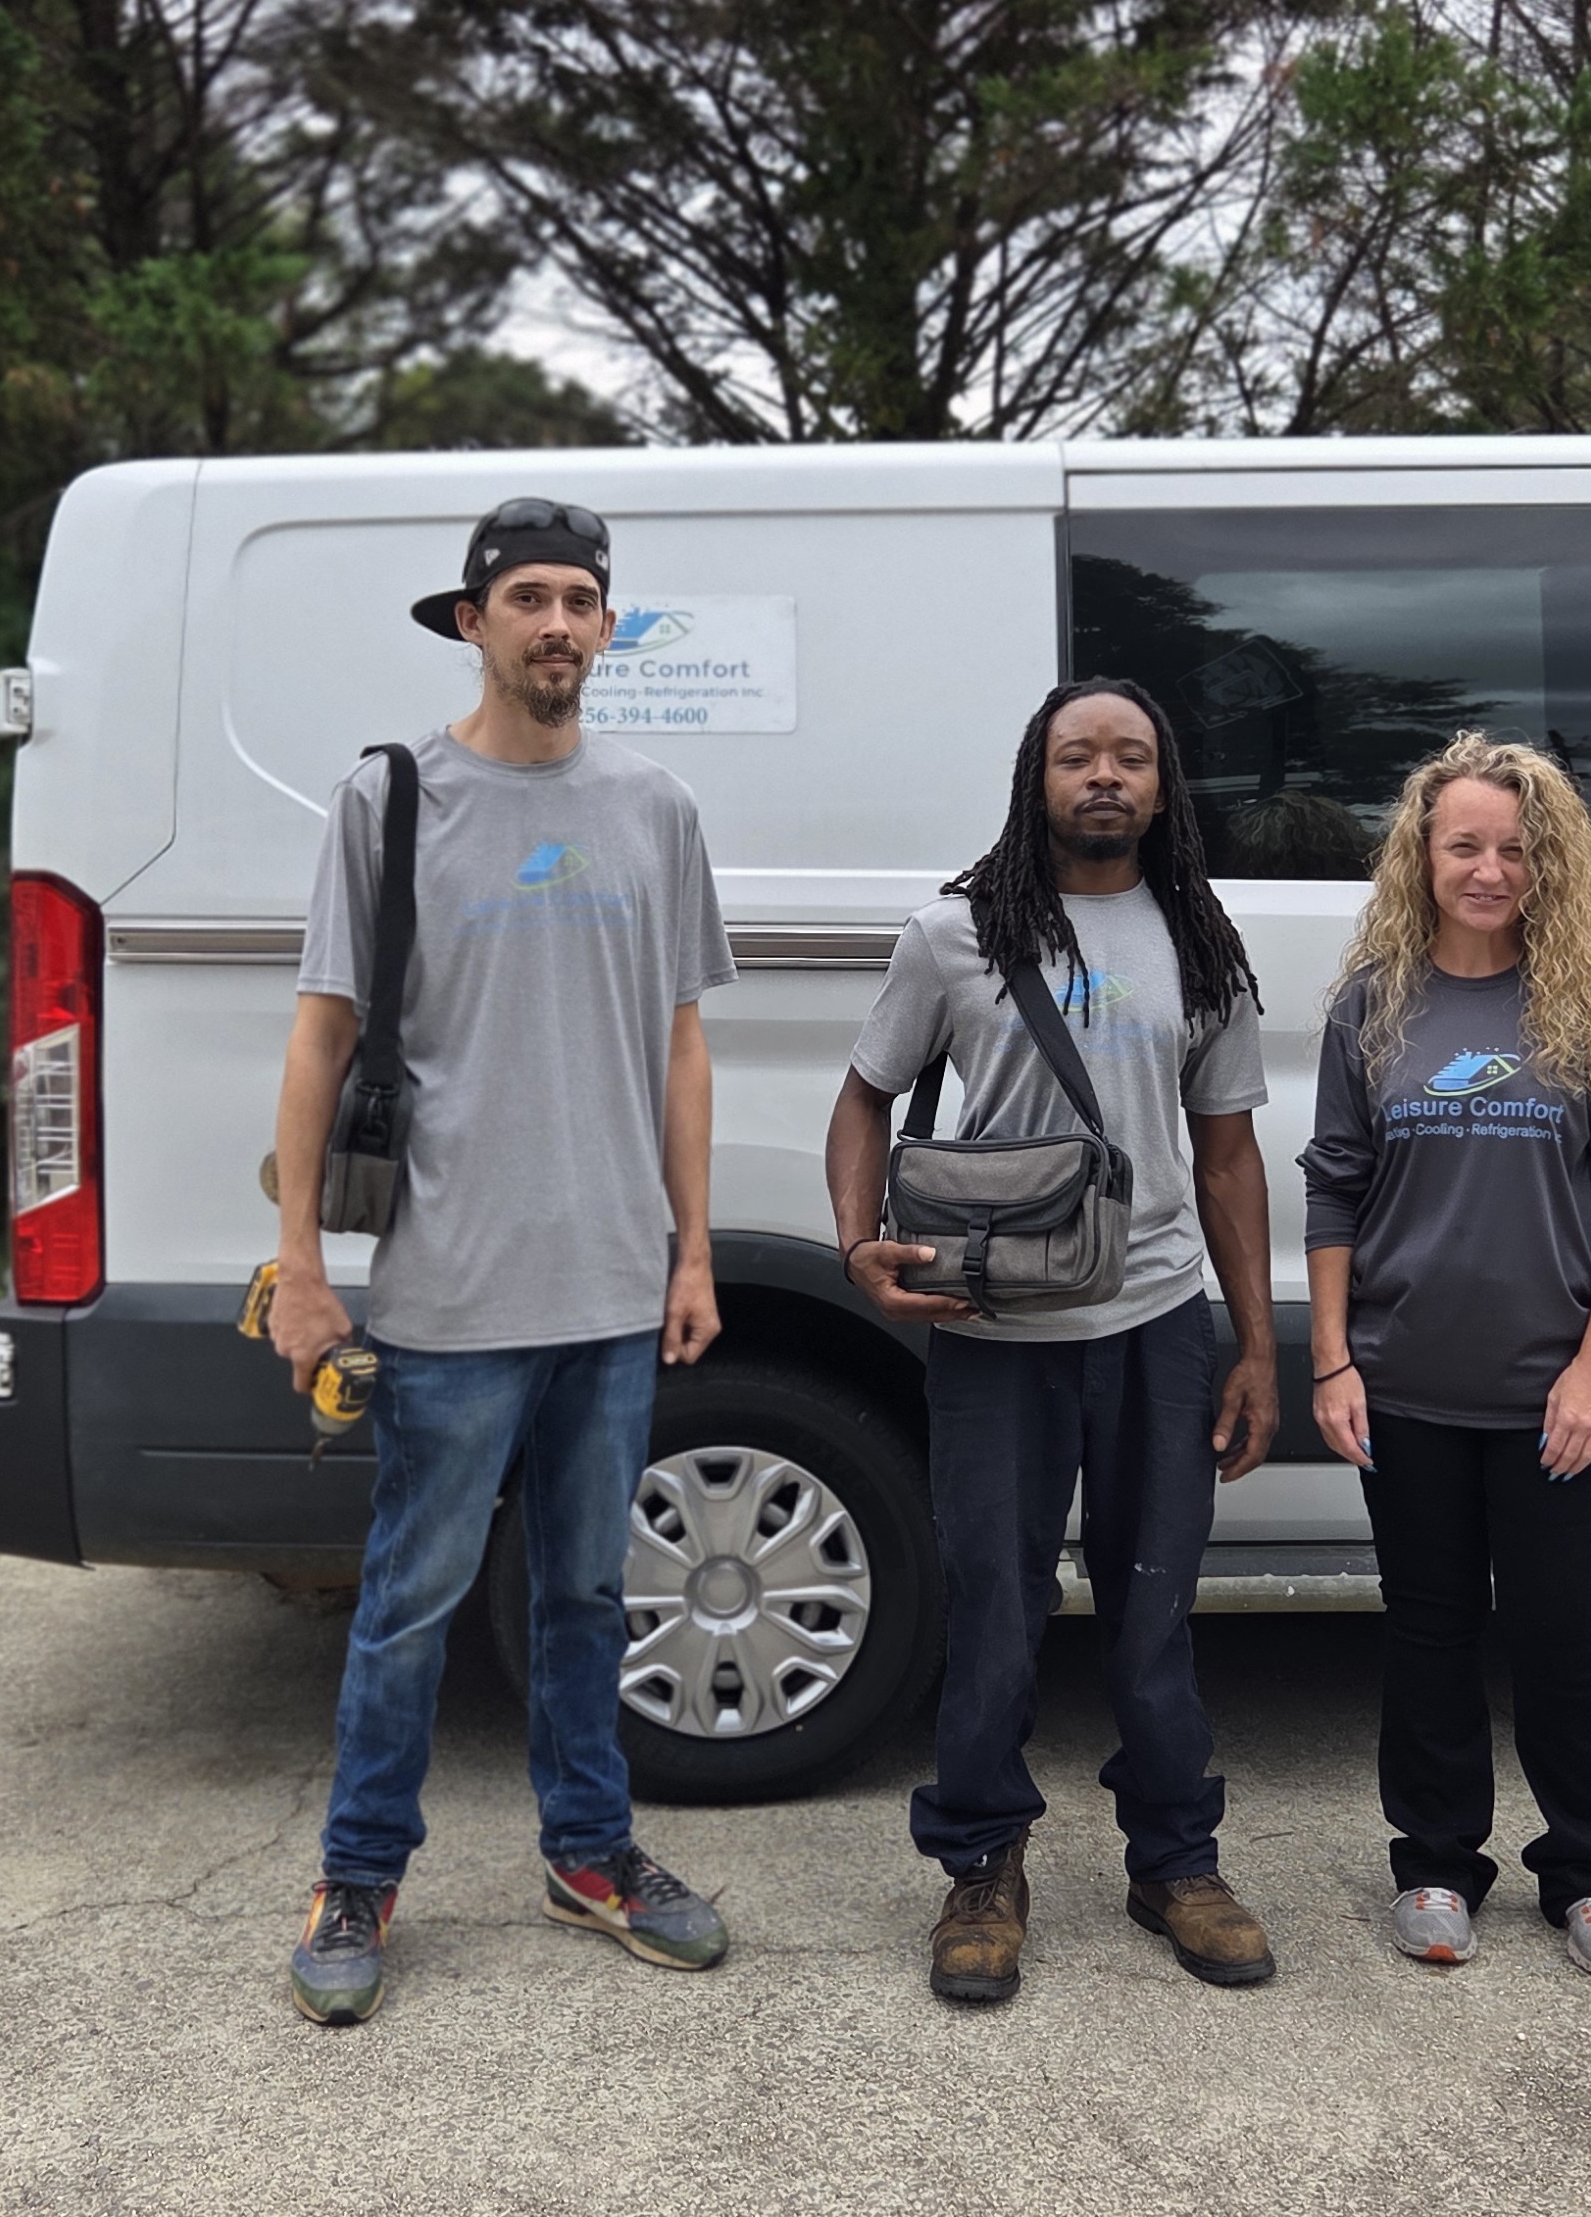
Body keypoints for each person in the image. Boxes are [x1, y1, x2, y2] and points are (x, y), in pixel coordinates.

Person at [265, 498, 737, 2028]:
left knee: (587, 1596)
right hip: (450, 1292)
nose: (556, 624)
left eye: (581, 600)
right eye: (527, 597)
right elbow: (321, 1035)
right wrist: (300, 1263)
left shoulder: (655, 805)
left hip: (610, 1287)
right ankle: (358, 1874)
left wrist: (690, 1251)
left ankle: (588, 1855)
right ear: (471, 622)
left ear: (606, 627)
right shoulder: (392, 800)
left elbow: (680, 1046)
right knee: (410, 1601)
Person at [824, 677, 1280, 2004]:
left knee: (1154, 1610)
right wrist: (857, 1244)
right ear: (1038, 776)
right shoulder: (953, 934)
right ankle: (982, 1865)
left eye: (1129, 756)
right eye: (1078, 755)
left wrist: (1255, 1347)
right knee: (995, 1611)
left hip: (1156, 1322)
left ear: (1162, 784)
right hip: (995, 1328)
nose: (1104, 775)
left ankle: (1175, 1861)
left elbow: (1229, 1158)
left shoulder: (1199, 939)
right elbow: (863, 1099)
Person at [1298, 731, 1591, 1980]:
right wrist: (1332, 1360)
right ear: (1422, 854)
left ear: (1547, 861)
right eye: (1464, 844)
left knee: (1564, 1637)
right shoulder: (1373, 1004)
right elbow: (1334, 1183)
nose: (1490, 869)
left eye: (1515, 848)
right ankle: (1436, 1861)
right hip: (1404, 1386)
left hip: (1550, 1394)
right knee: (1429, 1632)